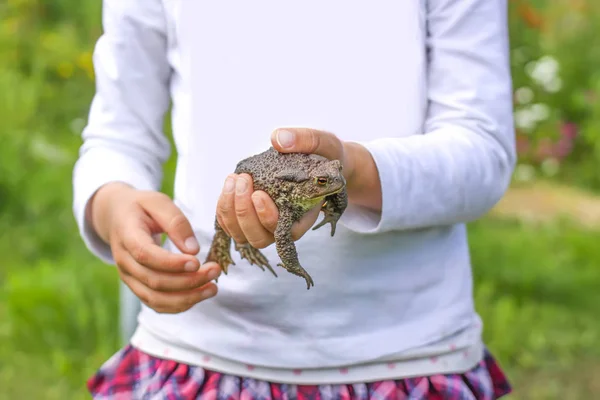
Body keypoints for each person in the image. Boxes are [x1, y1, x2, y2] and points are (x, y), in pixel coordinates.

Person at [73, 0, 516, 398]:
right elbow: (118, 136)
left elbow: (484, 147)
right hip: (200, 343)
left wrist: (354, 171)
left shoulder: (331, 183)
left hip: (407, 349)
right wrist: (113, 204)